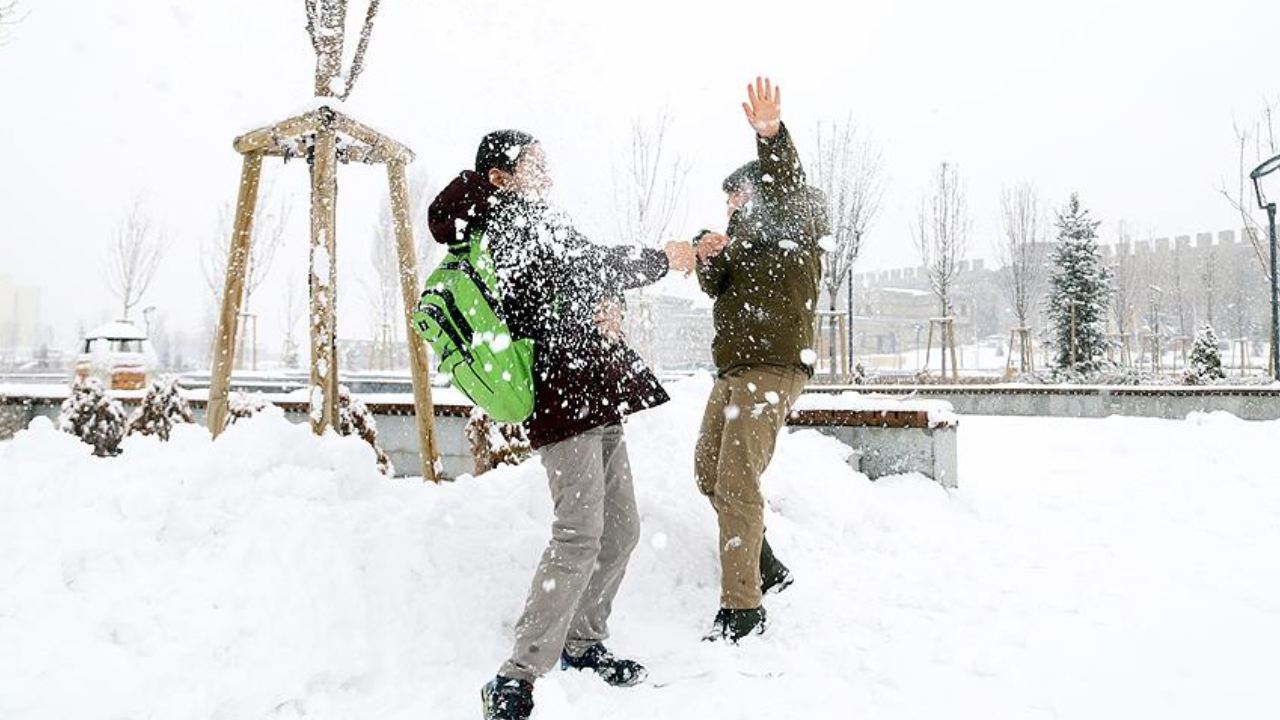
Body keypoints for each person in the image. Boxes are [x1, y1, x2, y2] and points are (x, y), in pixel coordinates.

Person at [426, 130, 699, 720]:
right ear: (501, 177)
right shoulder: (505, 221)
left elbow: (581, 281)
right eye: (535, 165)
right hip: (561, 393)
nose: (547, 174)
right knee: (578, 532)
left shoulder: (536, 217)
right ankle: (516, 675)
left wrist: (611, 307)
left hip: (594, 388)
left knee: (621, 529)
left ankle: (583, 642)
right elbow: (587, 267)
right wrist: (663, 259)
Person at [692, 77, 829, 642]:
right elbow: (715, 286)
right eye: (727, 201)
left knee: (737, 481)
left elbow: (787, 182)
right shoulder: (742, 240)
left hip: (772, 367)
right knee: (709, 471)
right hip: (735, 370)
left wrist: (770, 135)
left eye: (738, 196)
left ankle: (743, 608)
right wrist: (707, 253)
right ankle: (764, 563)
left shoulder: (795, 218)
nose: (732, 206)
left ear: (761, 190)